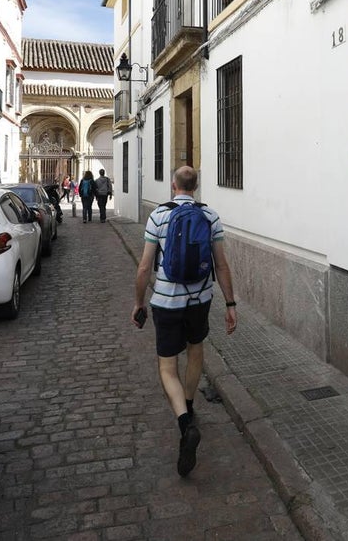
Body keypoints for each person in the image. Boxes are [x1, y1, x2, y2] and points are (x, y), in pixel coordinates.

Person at [132, 165, 237, 478]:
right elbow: (222, 265)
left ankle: (183, 421)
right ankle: (190, 406)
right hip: (200, 301)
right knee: (195, 351)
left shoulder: (159, 216)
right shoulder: (210, 216)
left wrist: (138, 302)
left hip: (166, 301)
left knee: (167, 367)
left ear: (173, 185)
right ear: (196, 187)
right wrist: (231, 304)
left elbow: (144, 268)